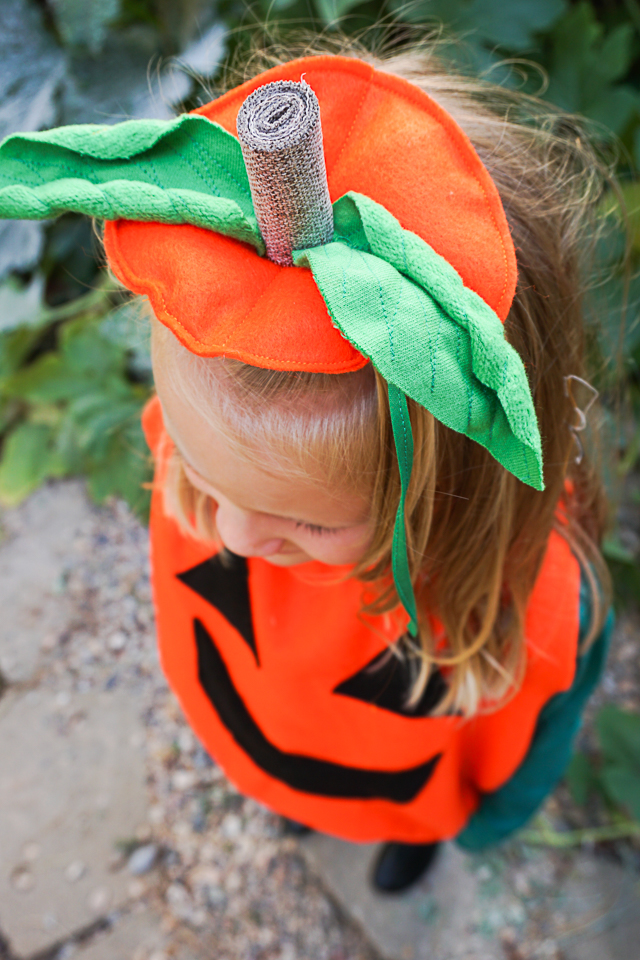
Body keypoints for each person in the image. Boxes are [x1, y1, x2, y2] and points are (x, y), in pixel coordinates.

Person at [0, 38, 614, 894]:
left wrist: (486, 823)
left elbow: (532, 748)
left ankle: (412, 838)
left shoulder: (541, 606)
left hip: (409, 784)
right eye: (206, 480)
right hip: (266, 727)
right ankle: (290, 794)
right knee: (289, 775)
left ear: (462, 491)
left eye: (311, 523)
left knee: (405, 810)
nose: (234, 535)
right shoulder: (231, 464)